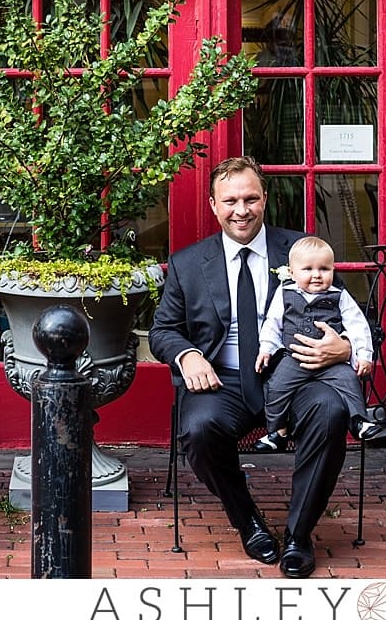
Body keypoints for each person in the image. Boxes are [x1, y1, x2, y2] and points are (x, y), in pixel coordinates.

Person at [148, 156, 354, 579]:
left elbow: (355, 316)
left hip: (298, 375)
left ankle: (299, 536)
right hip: (222, 382)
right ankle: (248, 520)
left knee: (331, 412)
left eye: (250, 199)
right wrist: (188, 355)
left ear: (265, 200)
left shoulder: (300, 250)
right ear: (213, 205)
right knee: (200, 430)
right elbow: (163, 330)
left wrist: (344, 347)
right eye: (230, 201)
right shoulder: (188, 263)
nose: (241, 210)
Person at [252, 235, 386, 453]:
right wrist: (266, 349)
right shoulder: (285, 293)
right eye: (307, 269)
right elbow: (272, 324)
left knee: (349, 382)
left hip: (333, 363)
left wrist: (363, 355)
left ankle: (359, 422)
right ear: (293, 272)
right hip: (295, 358)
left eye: (324, 269)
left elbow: (358, 326)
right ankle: (277, 431)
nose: (316, 275)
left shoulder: (339, 296)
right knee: (277, 387)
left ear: (333, 270)